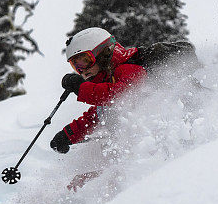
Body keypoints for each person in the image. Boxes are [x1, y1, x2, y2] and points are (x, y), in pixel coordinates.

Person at [49, 27, 146, 155]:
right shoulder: (110, 79)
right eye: (76, 66)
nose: (82, 70)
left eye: (85, 61)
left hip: (151, 146)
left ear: (103, 53)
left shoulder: (131, 68)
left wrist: (80, 87)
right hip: (132, 150)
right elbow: (97, 115)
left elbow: (118, 96)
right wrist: (67, 135)